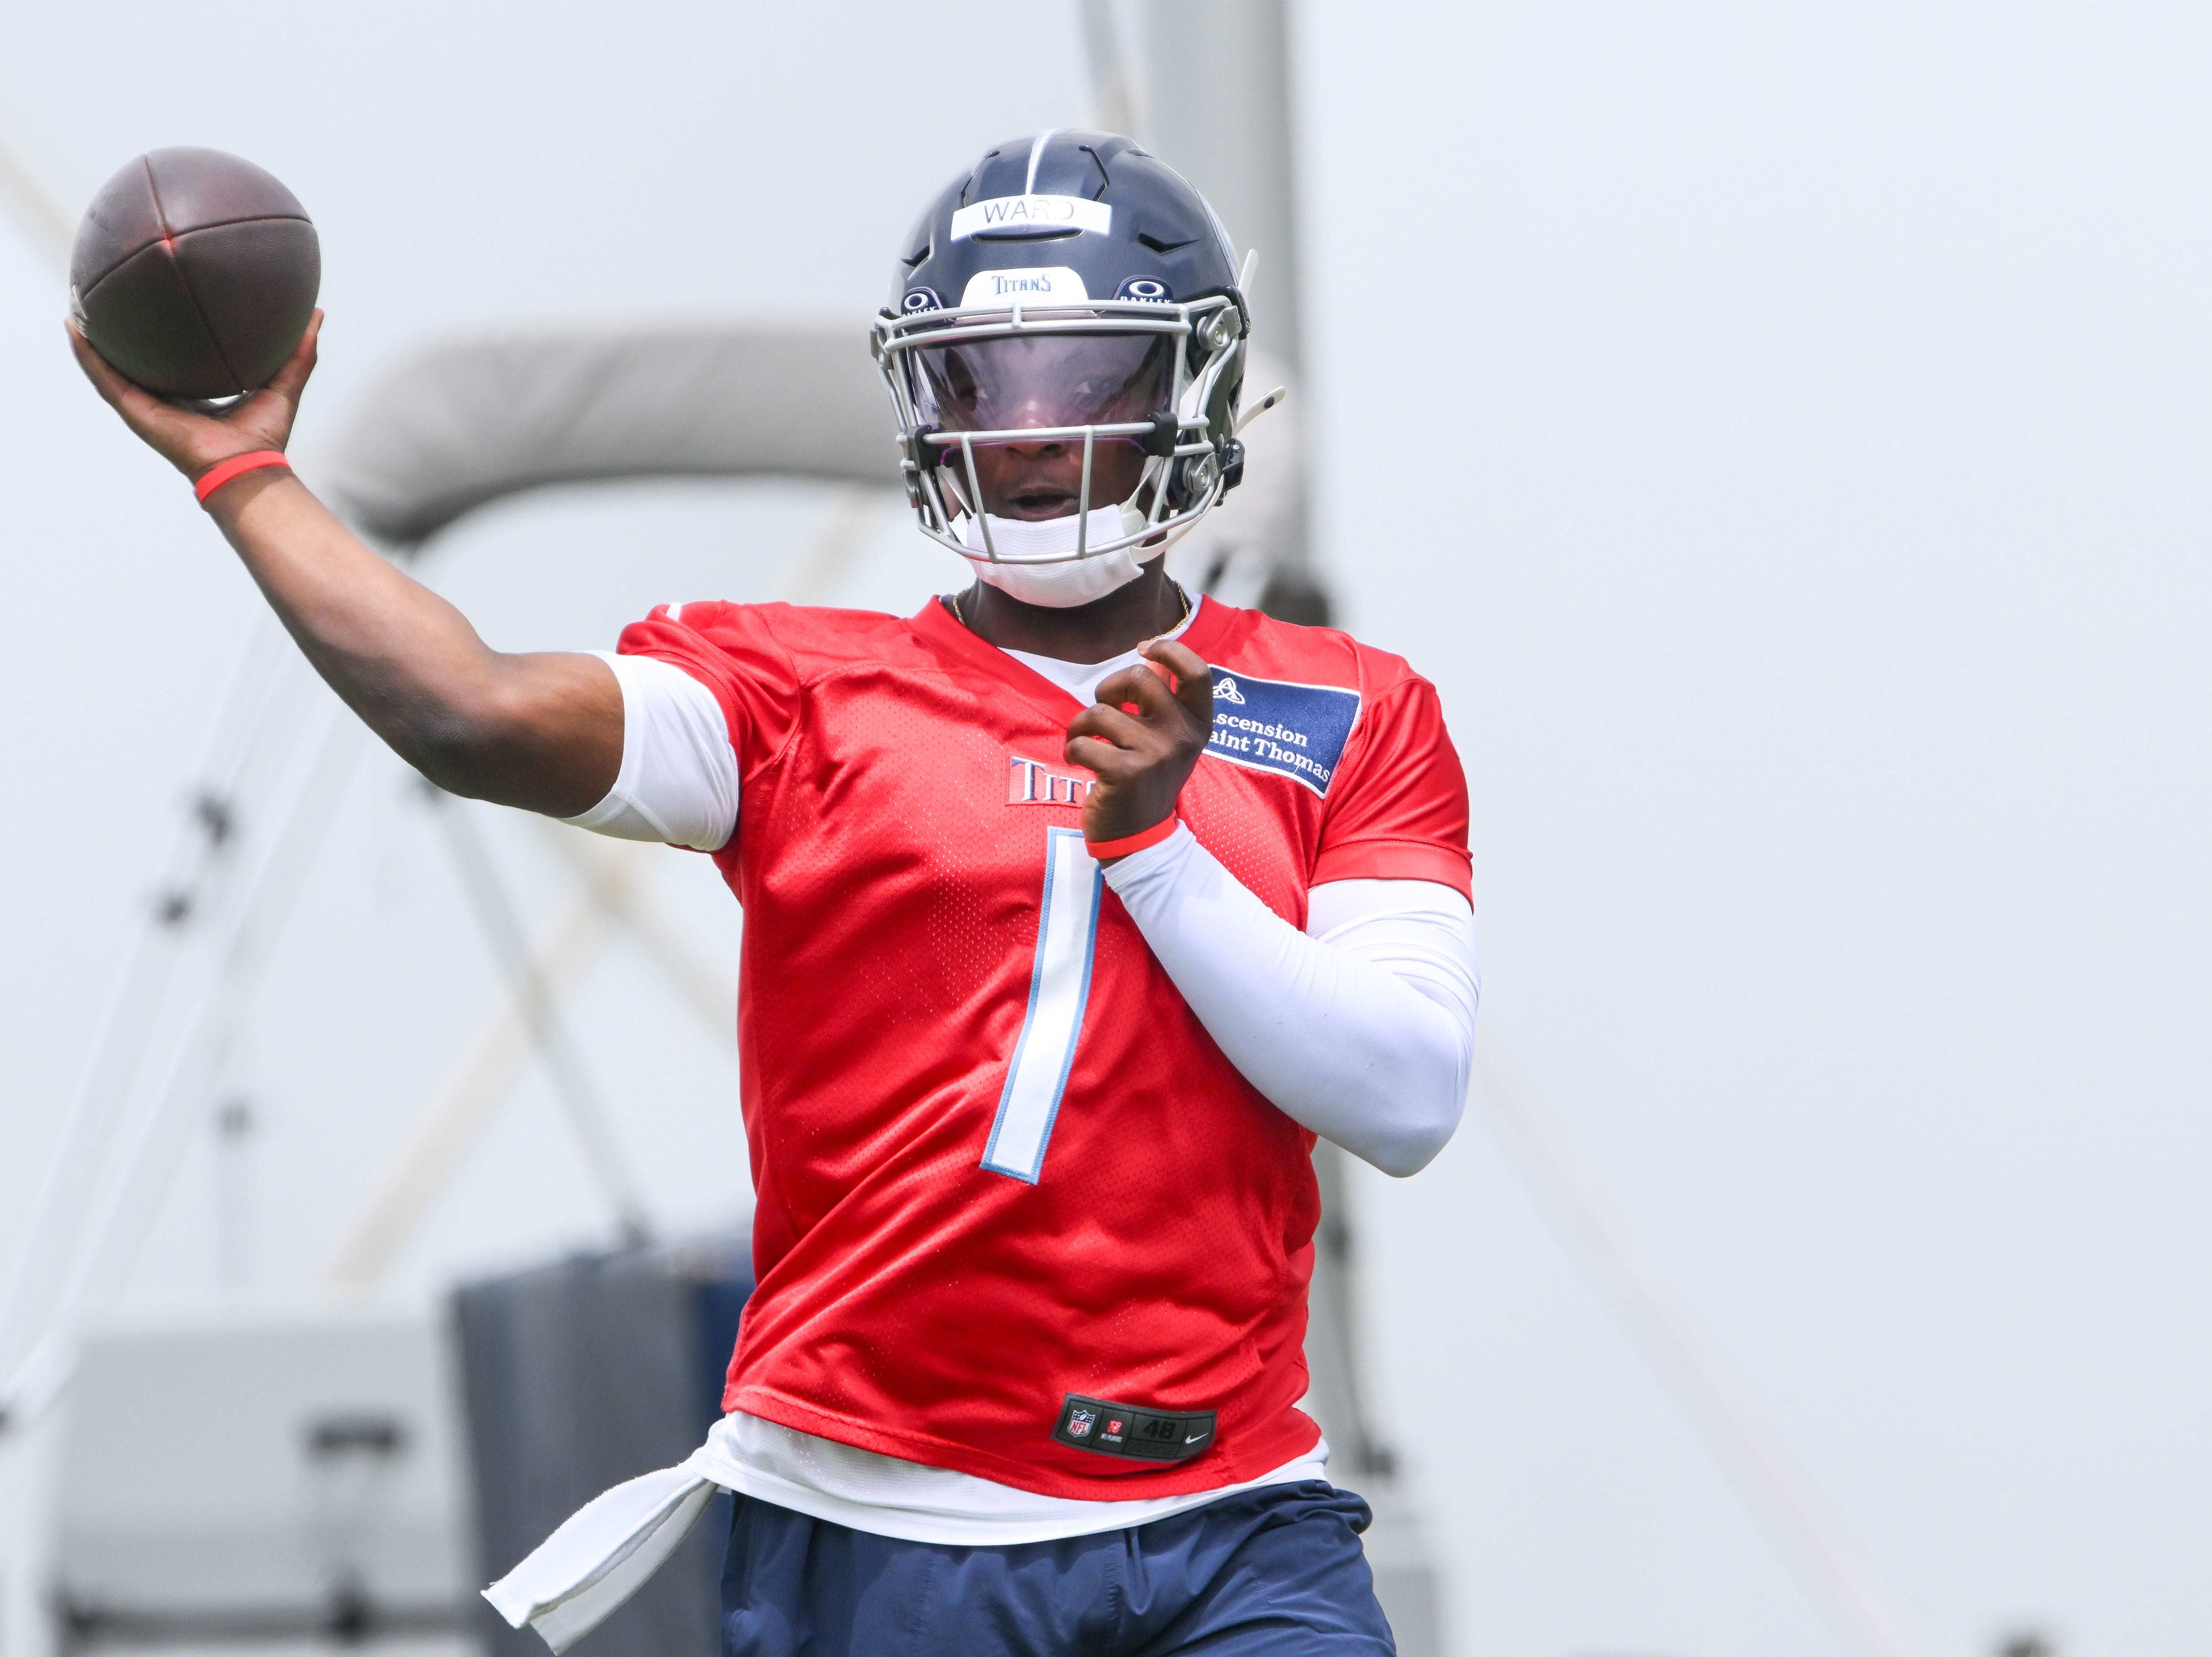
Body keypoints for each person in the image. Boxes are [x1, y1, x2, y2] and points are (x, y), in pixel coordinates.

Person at [73, 128, 1479, 1657]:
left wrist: (1157, 851)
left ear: (1188, 384)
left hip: (1239, 1521)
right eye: (981, 382)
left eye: (1084, 376)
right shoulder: (797, 693)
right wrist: (245, 476)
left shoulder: (1349, 705)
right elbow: (472, 712)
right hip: (886, 1530)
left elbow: (1404, 1096)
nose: (1030, 433)